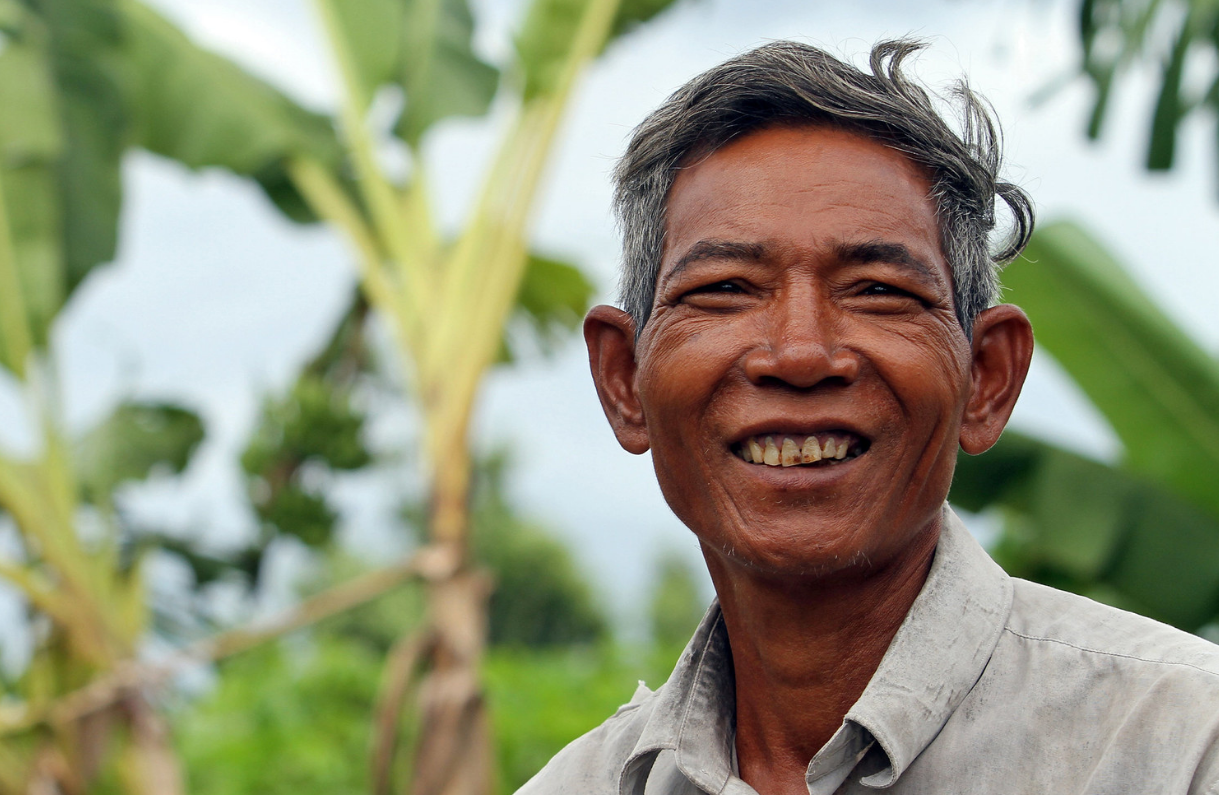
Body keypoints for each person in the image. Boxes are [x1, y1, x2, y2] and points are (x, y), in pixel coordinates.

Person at [520, 39, 1219, 795]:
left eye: (879, 290)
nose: (798, 353)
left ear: (987, 378)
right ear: (624, 381)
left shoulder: (1179, 747)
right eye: (724, 287)